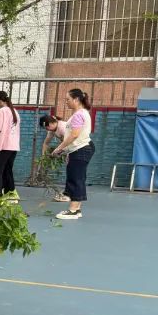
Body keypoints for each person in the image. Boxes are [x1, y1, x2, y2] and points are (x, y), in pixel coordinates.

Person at [48, 89, 95, 220]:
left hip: (81, 149)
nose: (66, 102)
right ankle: (77, 209)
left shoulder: (79, 114)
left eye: (68, 99)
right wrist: (64, 149)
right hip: (79, 149)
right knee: (78, 178)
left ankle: (73, 210)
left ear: (76, 100)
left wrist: (59, 148)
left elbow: (74, 134)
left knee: (76, 179)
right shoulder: (81, 113)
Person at [0, 90, 20, 196]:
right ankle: (11, 193)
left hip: (4, 146)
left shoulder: (2, 111)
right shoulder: (14, 111)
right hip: (13, 146)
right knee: (7, 170)